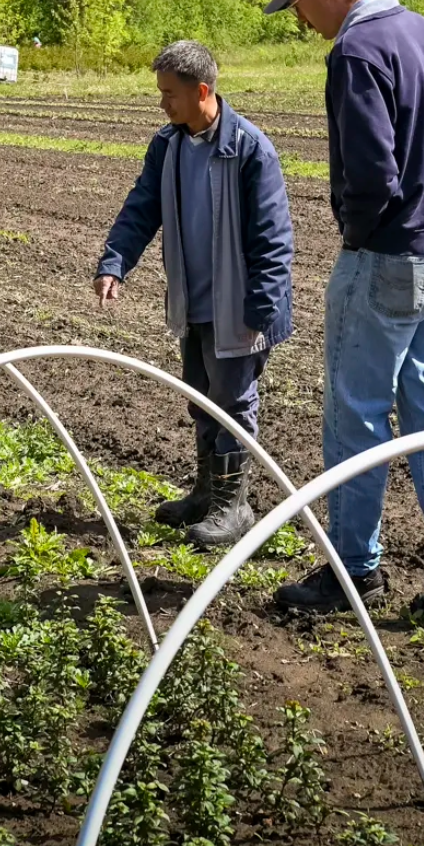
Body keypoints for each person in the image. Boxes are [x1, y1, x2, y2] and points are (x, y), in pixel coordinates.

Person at [265, 0, 424, 627]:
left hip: (389, 257)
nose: (301, 22)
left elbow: (371, 172)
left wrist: (356, 232)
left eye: (299, 7)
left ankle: (352, 570)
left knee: (356, 416)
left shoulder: (357, 53)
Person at [94, 40, 295, 548]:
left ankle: (236, 504)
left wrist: (260, 310)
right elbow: (141, 208)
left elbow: (274, 238)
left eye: (170, 94)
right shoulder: (170, 145)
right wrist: (116, 262)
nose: (163, 104)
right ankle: (207, 493)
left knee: (233, 402)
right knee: (201, 399)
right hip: (195, 300)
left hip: (241, 307)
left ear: (202, 91)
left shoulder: (250, 149)